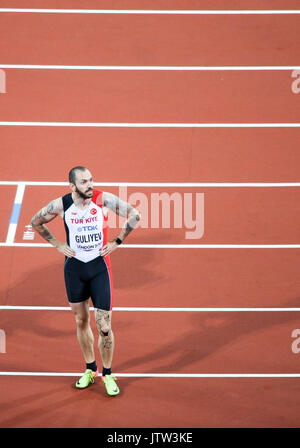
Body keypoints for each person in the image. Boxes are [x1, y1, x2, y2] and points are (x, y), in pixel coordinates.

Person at [31, 166, 141, 396]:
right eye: (84, 182)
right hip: (74, 270)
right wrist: (58, 244)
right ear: (72, 186)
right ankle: (90, 369)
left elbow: (134, 214)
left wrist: (117, 241)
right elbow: (36, 222)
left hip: (99, 268)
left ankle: (108, 373)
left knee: (104, 326)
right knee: (81, 320)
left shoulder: (102, 199)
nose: (90, 185)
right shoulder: (62, 205)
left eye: (91, 180)